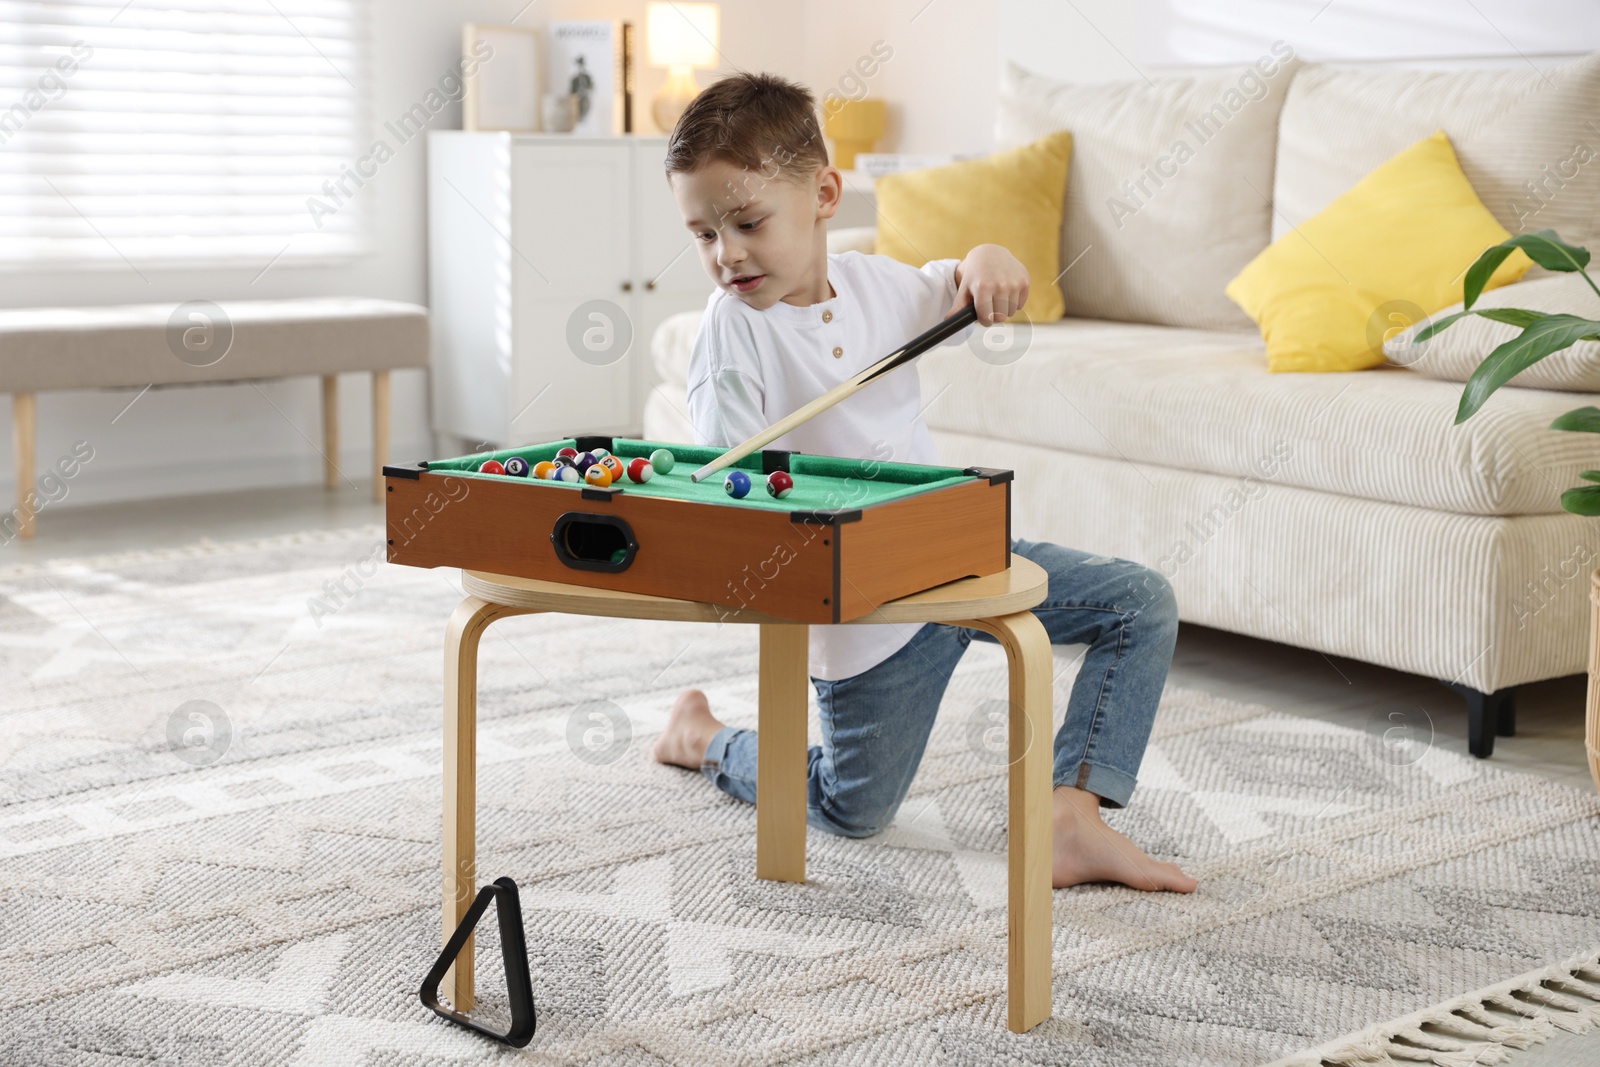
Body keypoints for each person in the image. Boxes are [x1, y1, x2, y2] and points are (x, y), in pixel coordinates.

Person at [649, 71, 1195, 893]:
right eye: (703, 234)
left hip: (956, 552)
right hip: (866, 614)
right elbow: (728, 477)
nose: (726, 255)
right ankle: (707, 738)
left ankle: (1070, 817)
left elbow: (962, 281)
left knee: (1138, 602)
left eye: (748, 223)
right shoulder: (733, 333)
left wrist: (989, 259)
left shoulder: (879, 284)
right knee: (852, 809)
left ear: (825, 193)